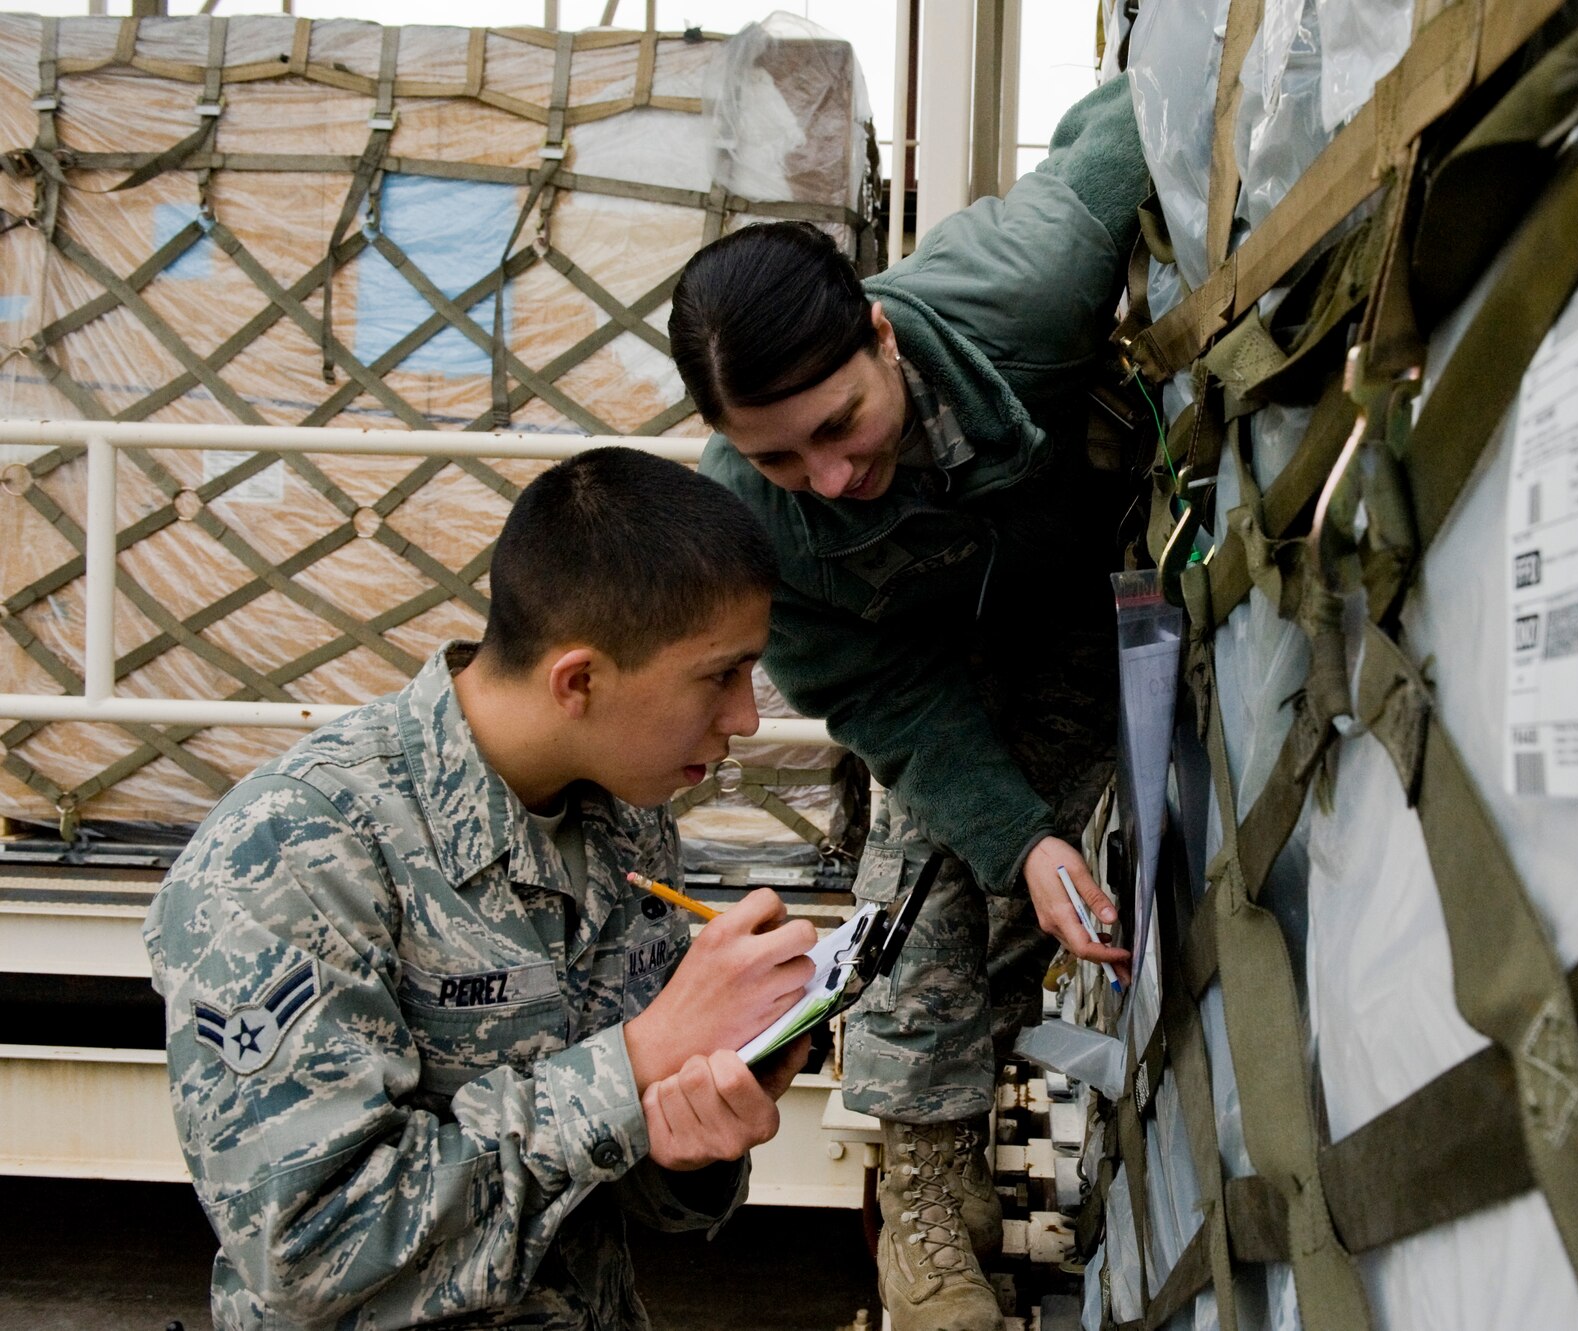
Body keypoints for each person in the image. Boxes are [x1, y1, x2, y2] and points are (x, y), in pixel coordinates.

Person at [671, 75, 1150, 1330]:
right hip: (938, 659)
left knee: (1039, 898)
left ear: (882, 336)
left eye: (840, 425)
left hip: (1092, 607)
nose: (827, 478)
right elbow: (886, 699)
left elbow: (1152, 111)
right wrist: (1019, 837)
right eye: (779, 455)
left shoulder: (1026, 286)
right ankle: (923, 1193)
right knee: (939, 868)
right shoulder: (762, 519)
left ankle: (957, 1125)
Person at [144, 446, 820, 1330]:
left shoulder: (627, 812)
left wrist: (706, 1110)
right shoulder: (293, 851)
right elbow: (308, 1250)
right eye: (720, 676)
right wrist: (636, 1062)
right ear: (578, 680)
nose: (746, 718)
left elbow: (623, 1179)